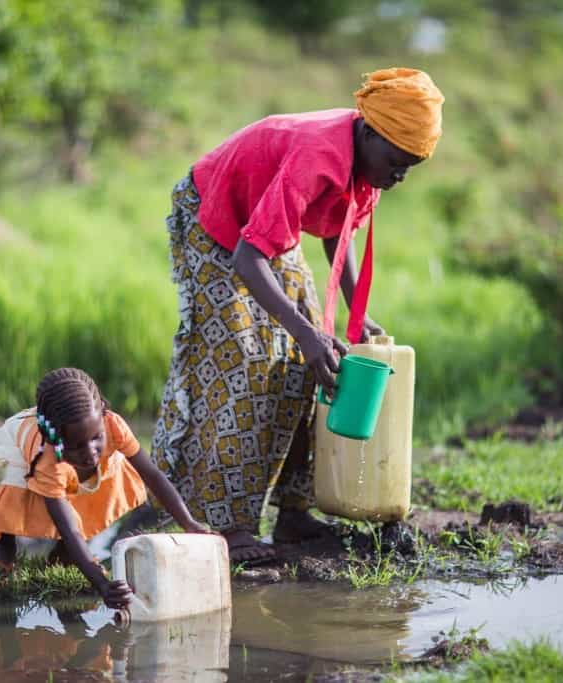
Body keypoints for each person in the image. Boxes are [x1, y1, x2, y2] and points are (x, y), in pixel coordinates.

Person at [152, 68, 444, 563]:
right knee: (243, 368)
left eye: (410, 167)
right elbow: (248, 258)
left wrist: (356, 313)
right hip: (216, 217)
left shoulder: (366, 164)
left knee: (310, 364)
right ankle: (228, 528)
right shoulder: (318, 156)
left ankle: (293, 515)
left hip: (263, 227)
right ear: (369, 133)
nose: (399, 176)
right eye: (396, 162)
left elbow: (337, 232)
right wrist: (307, 333)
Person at [0, 367, 210, 608]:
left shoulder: (113, 425)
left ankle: (62, 558)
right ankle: (2, 559)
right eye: (76, 446)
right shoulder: (46, 460)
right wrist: (103, 585)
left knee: (107, 475)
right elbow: (69, 529)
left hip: (60, 458)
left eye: (96, 437)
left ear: (103, 415)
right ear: (57, 441)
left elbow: (153, 476)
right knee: (9, 499)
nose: (89, 452)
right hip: (8, 456)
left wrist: (188, 522)